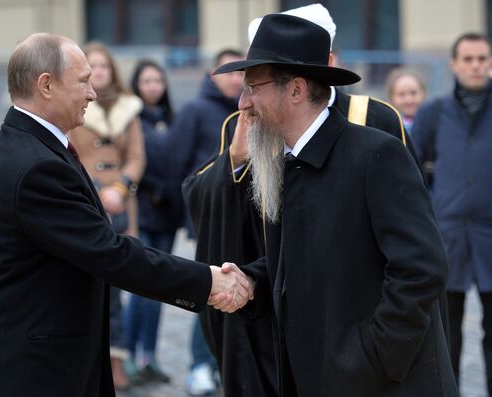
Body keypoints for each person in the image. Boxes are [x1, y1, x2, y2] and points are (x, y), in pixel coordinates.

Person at [0, 32, 252, 397]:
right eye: (83, 82)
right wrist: (207, 282)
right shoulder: (35, 165)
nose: (92, 94)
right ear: (46, 85)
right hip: (28, 368)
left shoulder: (32, 144)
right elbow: (109, 252)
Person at [183, 4, 435, 397]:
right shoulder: (282, 162)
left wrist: (373, 357)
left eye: (253, 87)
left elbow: (421, 269)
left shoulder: (376, 154)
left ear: (297, 89)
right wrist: (252, 281)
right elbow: (302, 258)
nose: (242, 103)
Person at [411, 32, 492, 395]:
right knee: (446, 333)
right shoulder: (435, 112)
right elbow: (413, 169)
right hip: (448, 238)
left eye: (482, 58)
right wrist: (435, 208)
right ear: (454, 64)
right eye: (469, 59)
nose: (476, 65)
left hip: (491, 236)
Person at [166, 48, 245, 395]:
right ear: (212, 73)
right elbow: (177, 164)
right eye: (227, 72)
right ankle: (200, 364)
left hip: (242, 219)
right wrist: (189, 210)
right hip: (207, 215)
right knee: (210, 289)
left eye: (239, 72)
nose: (235, 79)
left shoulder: (247, 110)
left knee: (235, 292)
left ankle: (222, 364)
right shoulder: (196, 110)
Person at [67, 41, 145, 391]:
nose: (99, 71)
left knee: (119, 288)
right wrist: (97, 188)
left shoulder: (129, 109)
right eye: (92, 66)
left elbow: (137, 157)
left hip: (122, 205)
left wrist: (121, 187)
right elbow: (69, 152)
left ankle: (116, 362)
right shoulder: (74, 108)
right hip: (87, 200)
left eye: (104, 66)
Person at [120, 59, 181, 384]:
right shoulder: (130, 119)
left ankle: (149, 356)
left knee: (161, 291)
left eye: (158, 80)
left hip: (167, 216)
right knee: (140, 288)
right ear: (136, 84)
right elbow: (131, 162)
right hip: (141, 211)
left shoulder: (173, 120)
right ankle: (128, 355)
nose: (153, 86)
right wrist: (155, 189)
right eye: (147, 80)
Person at [386, 67, 426, 133]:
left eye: (413, 93)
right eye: (401, 94)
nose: (409, 100)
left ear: (423, 93)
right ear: (391, 97)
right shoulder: (388, 128)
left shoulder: (433, 123)